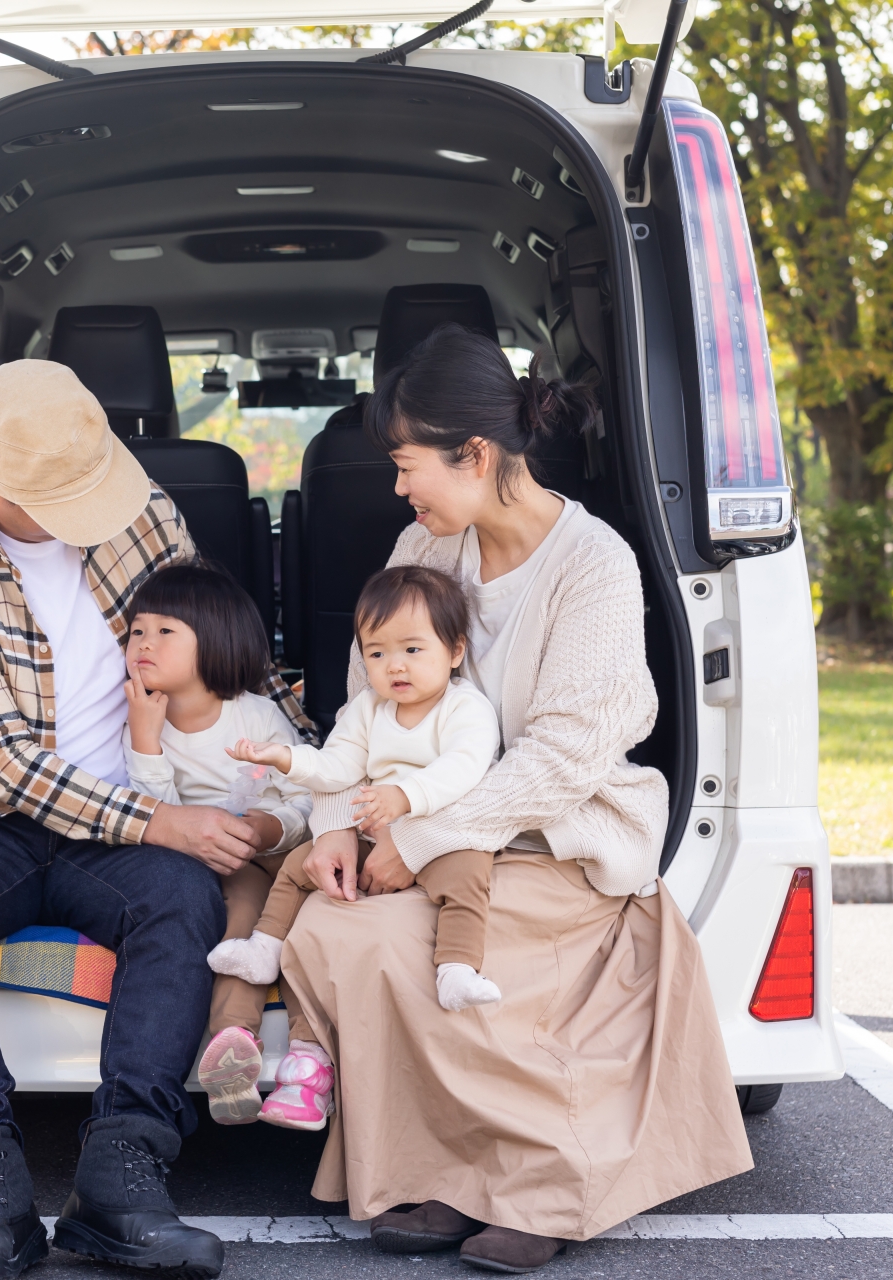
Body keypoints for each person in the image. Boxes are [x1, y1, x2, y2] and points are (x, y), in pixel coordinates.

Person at [275, 324, 755, 1273]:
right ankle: (455, 1175)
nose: (399, 489)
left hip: (558, 838)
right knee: (329, 926)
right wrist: (336, 824)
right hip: (436, 835)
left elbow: (563, 757)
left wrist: (423, 840)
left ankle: (542, 1179)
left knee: (374, 936)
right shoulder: (426, 543)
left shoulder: (596, 565)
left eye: (409, 465)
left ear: (479, 454)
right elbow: (365, 712)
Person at [0, 359, 308, 1280]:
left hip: (125, 816)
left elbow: (214, 644)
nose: (90, 511)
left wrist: (313, 761)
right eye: (57, 498)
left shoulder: (139, 507)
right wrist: (157, 822)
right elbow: (0, 763)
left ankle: (123, 1177)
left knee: (184, 899)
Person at [215, 566, 503, 1123]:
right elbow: (338, 766)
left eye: (413, 649)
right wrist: (288, 759)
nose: (394, 665)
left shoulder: (465, 708)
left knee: (470, 874)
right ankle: (264, 948)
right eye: (376, 653)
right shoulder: (367, 710)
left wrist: (405, 796)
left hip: (441, 833)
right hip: (373, 834)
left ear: (455, 650)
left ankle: (457, 969)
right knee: (298, 865)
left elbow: (464, 769)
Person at [118, 562, 313, 1126]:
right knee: (244, 915)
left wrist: (267, 829)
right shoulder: (136, 719)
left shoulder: (253, 715)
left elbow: (305, 795)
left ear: (216, 642)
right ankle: (233, 1039)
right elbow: (149, 813)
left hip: (278, 846)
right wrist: (146, 740)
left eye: (166, 632)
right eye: (137, 632)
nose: (144, 645)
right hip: (210, 862)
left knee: (305, 917)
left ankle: (309, 1053)